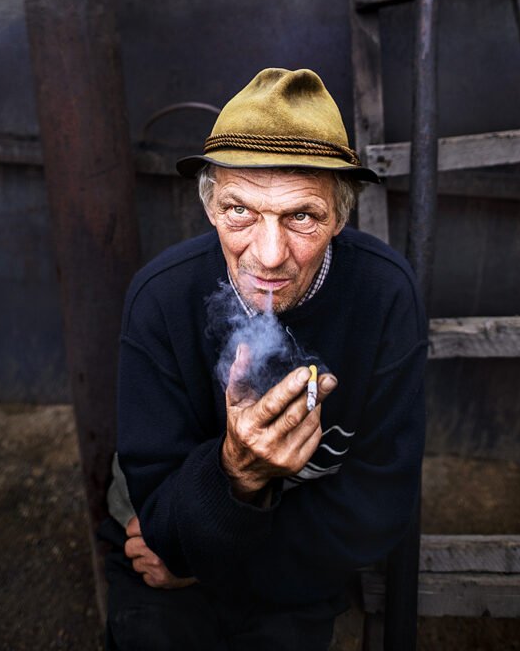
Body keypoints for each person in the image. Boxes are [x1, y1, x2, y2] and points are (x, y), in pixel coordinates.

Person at [99, 67, 427, 650]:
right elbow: (155, 514)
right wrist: (232, 469)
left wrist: (212, 559)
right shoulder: (161, 298)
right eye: (241, 211)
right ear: (210, 209)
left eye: (302, 216)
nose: (269, 255)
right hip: (164, 548)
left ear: (340, 218)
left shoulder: (385, 296)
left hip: (294, 565)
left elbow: (377, 508)